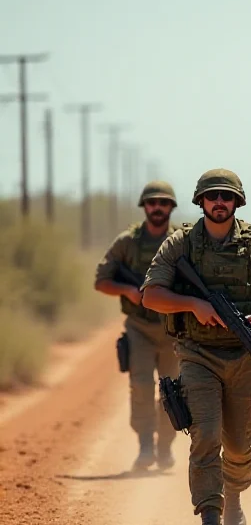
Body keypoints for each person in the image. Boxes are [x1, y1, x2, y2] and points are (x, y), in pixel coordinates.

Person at [141, 169, 251, 525]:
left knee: (239, 445)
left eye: (226, 196)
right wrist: (193, 303)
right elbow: (152, 295)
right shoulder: (181, 245)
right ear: (201, 202)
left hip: (244, 356)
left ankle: (235, 494)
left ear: (237, 202)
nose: (219, 202)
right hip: (196, 353)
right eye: (212, 197)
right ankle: (210, 520)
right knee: (205, 435)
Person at [94, 181, 180, 471]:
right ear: (144, 207)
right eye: (152, 203)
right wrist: (128, 291)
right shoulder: (126, 243)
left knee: (173, 390)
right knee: (141, 387)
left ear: (171, 207)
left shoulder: (181, 241)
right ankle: (145, 445)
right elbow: (101, 281)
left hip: (173, 330)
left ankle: (165, 446)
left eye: (164, 203)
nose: (158, 208)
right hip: (139, 328)